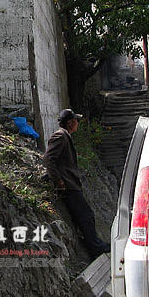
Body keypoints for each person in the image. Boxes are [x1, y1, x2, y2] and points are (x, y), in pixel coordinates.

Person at [44, 108, 110, 258]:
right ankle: (95, 248)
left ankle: (94, 245)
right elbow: (49, 158)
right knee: (86, 215)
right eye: (76, 121)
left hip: (71, 184)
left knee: (85, 216)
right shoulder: (60, 136)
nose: (78, 123)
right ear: (70, 122)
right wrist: (58, 180)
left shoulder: (65, 136)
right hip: (68, 186)